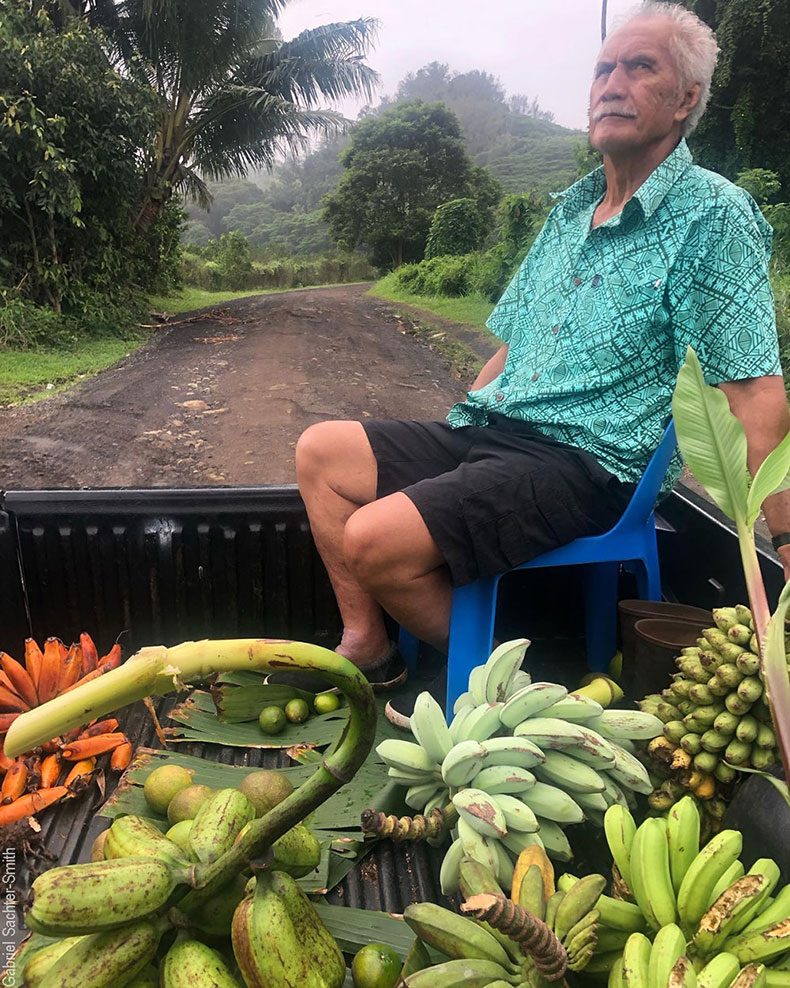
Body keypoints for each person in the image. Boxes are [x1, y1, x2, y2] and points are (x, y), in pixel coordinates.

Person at [292, 2, 790, 708]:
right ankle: (369, 646)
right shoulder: (570, 210)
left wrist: (789, 545)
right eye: (602, 69)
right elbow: (509, 345)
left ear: (686, 100)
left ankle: (521, 690)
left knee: (375, 539)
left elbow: (754, 392)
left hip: (587, 464)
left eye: (639, 67)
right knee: (321, 452)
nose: (611, 84)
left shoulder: (715, 215)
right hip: (497, 435)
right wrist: (454, 438)